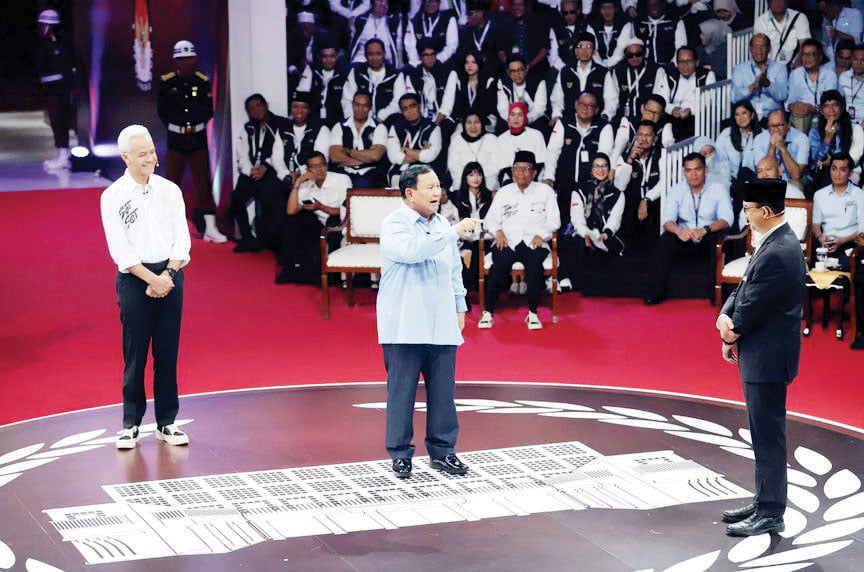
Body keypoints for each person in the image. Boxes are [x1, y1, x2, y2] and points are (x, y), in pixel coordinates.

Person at [377, 164, 481, 478]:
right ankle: (400, 454)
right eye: (430, 187)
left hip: (441, 322)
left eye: (438, 186)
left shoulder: (442, 224)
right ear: (410, 194)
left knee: (443, 395)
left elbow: (454, 270)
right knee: (401, 393)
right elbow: (413, 252)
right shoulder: (394, 224)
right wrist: (452, 232)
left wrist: (460, 306)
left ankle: (443, 452)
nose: (437, 192)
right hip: (405, 325)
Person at [717, 178, 806, 537]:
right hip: (761, 352)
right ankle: (763, 499)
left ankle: (771, 511)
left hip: (768, 358)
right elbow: (744, 287)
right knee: (761, 432)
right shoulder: (773, 241)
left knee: (768, 435)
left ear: (766, 211)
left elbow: (754, 304)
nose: (746, 215)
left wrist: (731, 330)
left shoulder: (779, 250)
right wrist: (725, 315)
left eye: (749, 209)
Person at [100, 125, 191, 450]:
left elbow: (182, 239)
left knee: (167, 352)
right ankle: (131, 424)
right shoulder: (112, 196)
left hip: (170, 275)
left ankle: (167, 422)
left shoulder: (170, 190)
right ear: (126, 158)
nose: (150, 159)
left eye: (152, 152)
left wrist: (167, 274)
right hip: (134, 280)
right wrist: (152, 280)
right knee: (135, 354)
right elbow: (120, 250)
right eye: (142, 155)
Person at [479, 151, 560, 330]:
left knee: (535, 268)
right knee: (497, 268)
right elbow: (490, 219)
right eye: (517, 168)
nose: (521, 173)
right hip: (507, 241)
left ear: (534, 172)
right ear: (512, 171)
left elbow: (555, 220)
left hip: (534, 241)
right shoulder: (504, 192)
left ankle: (532, 313)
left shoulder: (545, 191)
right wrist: (498, 232)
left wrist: (542, 234)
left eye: (526, 169)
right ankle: (488, 312)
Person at [157, 40, 227, 243]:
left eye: (189, 59)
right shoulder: (167, 82)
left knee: (203, 183)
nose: (185, 63)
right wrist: (177, 125)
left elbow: (208, 110)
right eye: (181, 59)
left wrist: (194, 124)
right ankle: (168, 230)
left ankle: (210, 228)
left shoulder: (202, 81)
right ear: (175, 61)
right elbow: (162, 110)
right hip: (176, 138)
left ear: (194, 59)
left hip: (197, 138)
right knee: (172, 184)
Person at [644, 152, 733, 305]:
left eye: (697, 169)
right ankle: (655, 293)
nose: (693, 174)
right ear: (684, 172)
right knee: (665, 239)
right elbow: (667, 221)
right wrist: (679, 231)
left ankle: (717, 294)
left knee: (720, 238)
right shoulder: (677, 190)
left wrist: (705, 230)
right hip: (685, 236)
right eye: (689, 170)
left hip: (707, 235)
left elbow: (727, 219)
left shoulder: (718, 188)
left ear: (706, 170)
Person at [231, 94, 291, 253]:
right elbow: (242, 154)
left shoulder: (281, 124)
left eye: (258, 106)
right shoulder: (248, 128)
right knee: (236, 198)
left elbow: (281, 152)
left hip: (272, 170)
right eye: (251, 109)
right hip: (252, 171)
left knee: (269, 197)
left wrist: (265, 166)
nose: (256, 111)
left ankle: (271, 240)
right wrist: (249, 170)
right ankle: (247, 238)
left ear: (266, 105)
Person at [277, 151, 350, 284]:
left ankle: (328, 276)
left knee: (331, 223)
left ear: (326, 165)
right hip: (318, 223)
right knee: (293, 221)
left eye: (322, 165)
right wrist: (298, 182)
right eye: (315, 167)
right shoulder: (306, 185)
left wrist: (321, 207)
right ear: (308, 170)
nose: (319, 170)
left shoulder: (341, 180)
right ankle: (291, 271)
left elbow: (347, 211)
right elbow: (291, 210)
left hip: (338, 222)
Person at [549, 32, 618, 125]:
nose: (584, 50)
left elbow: (611, 100)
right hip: (569, 121)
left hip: (596, 122)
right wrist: (557, 116)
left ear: (594, 51)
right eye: (580, 46)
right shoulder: (565, 71)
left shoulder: (603, 72)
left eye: (589, 47)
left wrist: (605, 116)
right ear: (575, 51)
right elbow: (557, 99)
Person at [36, 9, 75, 171]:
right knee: (55, 121)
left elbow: (64, 68)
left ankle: (64, 155)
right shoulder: (45, 43)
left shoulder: (58, 44)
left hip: (59, 89)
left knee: (60, 120)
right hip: (51, 88)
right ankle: (60, 152)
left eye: (43, 25)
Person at [449, 162, 495, 292]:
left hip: (486, 237)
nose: (476, 178)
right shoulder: (458, 196)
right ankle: (471, 288)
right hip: (466, 238)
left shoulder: (489, 195)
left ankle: (477, 288)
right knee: (470, 249)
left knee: (480, 247)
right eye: (471, 175)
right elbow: (456, 222)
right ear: (465, 178)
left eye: (479, 174)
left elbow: (493, 220)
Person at [329, 90, 389, 187]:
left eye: (365, 106)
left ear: (370, 108)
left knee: (363, 184)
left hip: (370, 172)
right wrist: (366, 159)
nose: (360, 109)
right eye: (357, 105)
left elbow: (375, 156)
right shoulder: (339, 126)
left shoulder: (379, 127)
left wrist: (348, 151)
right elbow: (335, 157)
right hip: (343, 172)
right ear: (352, 105)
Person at [806, 90, 864, 190]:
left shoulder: (856, 129)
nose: (831, 110)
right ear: (821, 110)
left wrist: (832, 162)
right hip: (823, 174)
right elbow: (817, 160)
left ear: (842, 108)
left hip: (850, 172)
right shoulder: (815, 132)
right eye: (826, 106)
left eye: (835, 105)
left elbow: (854, 159)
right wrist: (827, 139)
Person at [386, 93, 443, 186]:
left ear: (420, 106)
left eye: (412, 106)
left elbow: (430, 156)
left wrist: (406, 150)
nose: (409, 111)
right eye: (405, 108)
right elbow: (393, 157)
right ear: (401, 112)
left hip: (424, 172)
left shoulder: (433, 128)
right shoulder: (395, 128)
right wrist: (420, 152)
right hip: (399, 173)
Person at [731, 34, 789, 121]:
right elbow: (734, 98)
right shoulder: (739, 69)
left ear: (769, 49)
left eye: (763, 46)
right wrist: (752, 87)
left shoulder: (780, 68)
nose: (759, 50)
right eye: (756, 46)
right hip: (749, 118)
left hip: (773, 117)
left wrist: (768, 84)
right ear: (750, 49)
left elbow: (783, 95)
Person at [610, 38, 670, 122]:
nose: (634, 58)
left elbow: (661, 97)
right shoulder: (618, 71)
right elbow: (612, 99)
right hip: (623, 118)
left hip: (648, 119)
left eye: (638, 54)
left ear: (644, 53)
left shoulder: (656, 70)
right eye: (630, 55)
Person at [744, 109, 810, 184]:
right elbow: (763, 171)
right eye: (772, 126)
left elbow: (796, 175)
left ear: (788, 125)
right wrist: (772, 147)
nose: (776, 129)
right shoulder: (759, 139)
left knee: (796, 184)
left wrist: (783, 148)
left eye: (780, 125)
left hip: (793, 180)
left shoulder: (802, 138)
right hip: (769, 179)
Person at [786, 39, 838, 134]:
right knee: (799, 116)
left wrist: (812, 108)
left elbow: (830, 105)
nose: (807, 58)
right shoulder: (795, 74)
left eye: (811, 55)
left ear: (820, 57)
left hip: (822, 116)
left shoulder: (830, 76)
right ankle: (800, 142)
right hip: (801, 117)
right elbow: (790, 100)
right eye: (804, 54)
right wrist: (793, 106)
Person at [666, 47, 717, 142]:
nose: (684, 65)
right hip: (673, 116)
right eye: (681, 61)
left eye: (688, 61)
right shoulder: (669, 75)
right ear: (677, 64)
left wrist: (691, 111)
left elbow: (708, 102)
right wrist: (671, 109)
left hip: (697, 116)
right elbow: (662, 99)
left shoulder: (707, 75)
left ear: (696, 62)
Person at [496, 102, 548, 186]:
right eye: (512, 114)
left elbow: (540, 162)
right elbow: (504, 166)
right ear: (508, 118)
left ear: (525, 117)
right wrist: (518, 180)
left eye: (520, 115)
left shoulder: (536, 135)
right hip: (511, 180)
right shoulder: (501, 139)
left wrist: (528, 179)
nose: (516, 118)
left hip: (534, 179)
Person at [447, 112, 500, 191]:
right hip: (462, 186)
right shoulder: (456, 141)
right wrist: (470, 177)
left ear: (482, 123)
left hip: (488, 186)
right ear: (464, 125)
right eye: (469, 123)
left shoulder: (492, 139)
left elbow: (496, 166)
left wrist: (478, 175)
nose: (473, 126)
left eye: (476, 122)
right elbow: (453, 167)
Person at [753, 0, 811, 66]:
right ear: (768, 3)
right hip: (770, 66)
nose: (778, 2)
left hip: (794, 65)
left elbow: (805, 45)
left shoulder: (799, 17)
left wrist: (798, 63)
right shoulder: (760, 22)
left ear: (787, 1)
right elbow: (760, 49)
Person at [404, 0, 460, 67]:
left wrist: (435, 60)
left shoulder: (449, 19)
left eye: (434, 1)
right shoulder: (414, 22)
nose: (431, 4)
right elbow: (410, 47)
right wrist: (418, 64)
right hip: (419, 65)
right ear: (423, 2)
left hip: (442, 64)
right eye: (428, 1)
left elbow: (452, 45)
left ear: (439, 3)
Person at [589, 0, 634, 69]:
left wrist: (609, 65)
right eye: (604, 8)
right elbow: (593, 51)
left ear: (616, 9)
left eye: (610, 8)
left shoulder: (626, 24)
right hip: (598, 66)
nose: (607, 11)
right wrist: (602, 67)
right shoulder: (591, 25)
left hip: (619, 66)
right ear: (599, 10)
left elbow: (620, 50)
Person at [839, 43, 864, 122]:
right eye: (855, 59)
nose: (859, 63)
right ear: (851, 60)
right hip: (847, 121)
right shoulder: (843, 77)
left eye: (863, 60)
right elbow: (839, 99)